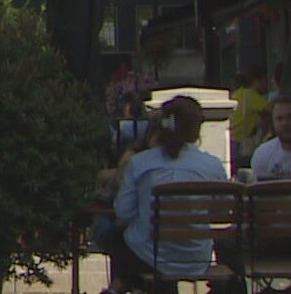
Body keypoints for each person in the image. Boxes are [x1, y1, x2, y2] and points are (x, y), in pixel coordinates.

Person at [104, 95, 230, 294]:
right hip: (196, 256)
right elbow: (223, 211)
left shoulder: (140, 163)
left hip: (149, 257)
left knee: (119, 237)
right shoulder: (212, 165)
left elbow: (123, 213)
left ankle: (118, 287)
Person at [230, 65, 271, 164]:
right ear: (257, 81)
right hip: (241, 143)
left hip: (232, 139)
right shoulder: (251, 95)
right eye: (265, 81)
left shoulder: (238, 93)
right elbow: (273, 110)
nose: (266, 85)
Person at [253, 97, 291, 180]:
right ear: (273, 122)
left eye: (290, 117)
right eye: (279, 119)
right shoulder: (262, 154)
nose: (285, 123)